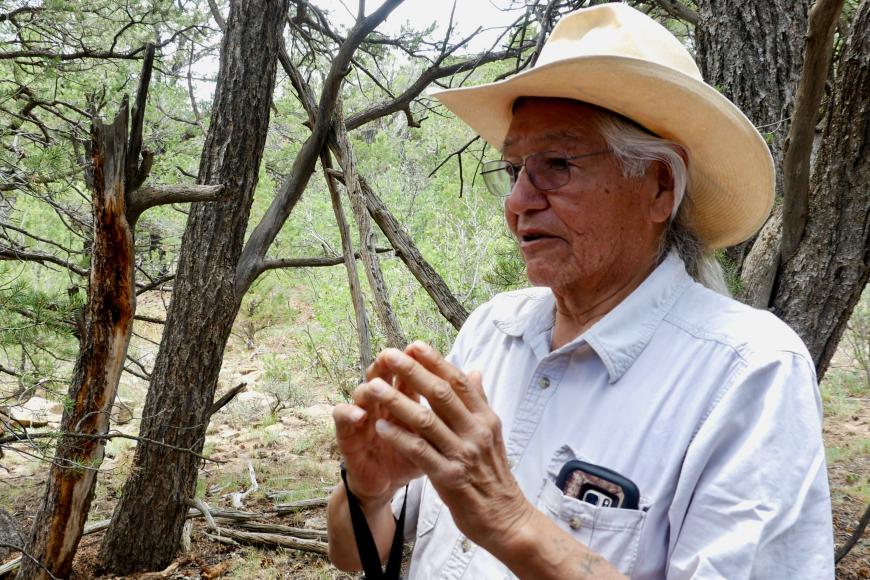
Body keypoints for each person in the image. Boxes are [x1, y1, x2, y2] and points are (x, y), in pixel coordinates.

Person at [326, 4, 835, 579]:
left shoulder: (748, 370)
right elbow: (358, 555)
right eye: (515, 168)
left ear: (659, 186)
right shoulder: (493, 331)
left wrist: (509, 518)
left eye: (558, 164)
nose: (518, 204)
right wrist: (367, 493)